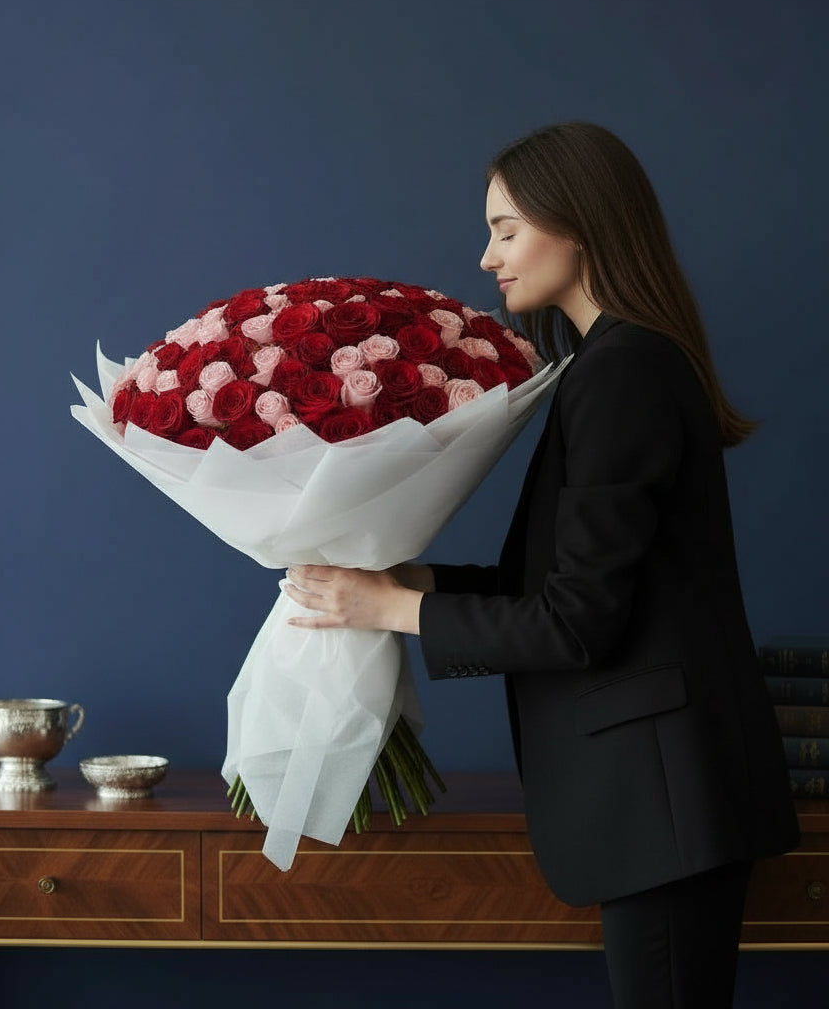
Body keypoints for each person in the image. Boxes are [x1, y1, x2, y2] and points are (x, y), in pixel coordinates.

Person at [283, 121, 801, 1007]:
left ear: (581, 221)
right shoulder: (615, 363)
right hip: (666, 798)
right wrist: (424, 584)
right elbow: (576, 588)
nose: (488, 257)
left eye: (507, 229)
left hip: (664, 801)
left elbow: (575, 623)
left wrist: (390, 612)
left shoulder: (624, 370)